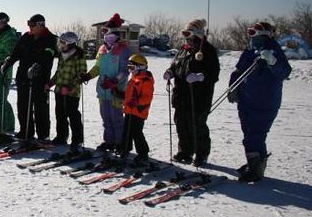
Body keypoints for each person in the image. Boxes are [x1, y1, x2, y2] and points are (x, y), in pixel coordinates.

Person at [229, 22, 291, 182]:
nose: (250, 37)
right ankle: (253, 163)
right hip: (246, 99)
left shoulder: (273, 50)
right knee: (248, 132)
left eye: (253, 33)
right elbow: (238, 70)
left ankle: (257, 170)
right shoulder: (250, 50)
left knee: (256, 135)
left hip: (264, 101)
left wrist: (272, 62)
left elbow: (283, 72)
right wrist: (233, 87)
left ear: (264, 34)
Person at [163, 19, 220, 166]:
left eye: (189, 34)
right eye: (185, 35)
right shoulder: (183, 49)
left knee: (197, 126)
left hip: (198, 98)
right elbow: (175, 65)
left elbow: (214, 74)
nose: (186, 38)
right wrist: (170, 72)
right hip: (181, 95)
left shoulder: (207, 50)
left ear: (197, 34)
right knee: (181, 124)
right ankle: (185, 151)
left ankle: (202, 154)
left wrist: (200, 77)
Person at [1, 14, 57, 141]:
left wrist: (38, 66)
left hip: (40, 79)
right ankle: (26, 131)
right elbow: (16, 53)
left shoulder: (50, 38)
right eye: (29, 24)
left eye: (32, 25)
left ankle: (43, 134)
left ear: (40, 25)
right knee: (23, 106)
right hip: (23, 77)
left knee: (40, 107)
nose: (29, 27)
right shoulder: (26, 37)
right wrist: (8, 63)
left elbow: (49, 55)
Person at [81, 13, 130, 153]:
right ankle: (109, 142)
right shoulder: (102, 49)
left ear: (114, 34)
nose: (104, 36)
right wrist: (88, 76)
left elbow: (124, 70)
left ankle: (120, 144)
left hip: (116, 91)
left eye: (106, 32)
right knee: (106, 118)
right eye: (103, 33)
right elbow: (98, 67)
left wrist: (114, 81)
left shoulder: (123, 50)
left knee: (117, 119)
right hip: (103, 90)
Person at [46, 32, 87, 153]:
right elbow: (58, 72)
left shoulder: (79, 55)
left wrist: (69, 87)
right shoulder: (62, 55)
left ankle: (77, 139)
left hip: (72, 92)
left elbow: (81, 74)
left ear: (70, 43)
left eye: (63, 42)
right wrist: (50, 83)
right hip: (59, 90)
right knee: (60, 114)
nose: (61, 45)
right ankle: (61, 136)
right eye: (60, 42)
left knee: (73, 114)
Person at [119, 54, 154, 166]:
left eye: (132, 68)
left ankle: (143, 153)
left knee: (136, 132)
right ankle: (125, 148)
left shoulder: (145, 80)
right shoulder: (134, 79)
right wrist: (118, 93)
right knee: (126, 130)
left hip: (139, 111)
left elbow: (147, 97)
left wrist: (137, 102)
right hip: (129, 110)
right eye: (129, 67)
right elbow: (128, 95)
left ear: (140, 67)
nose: (130, 70)